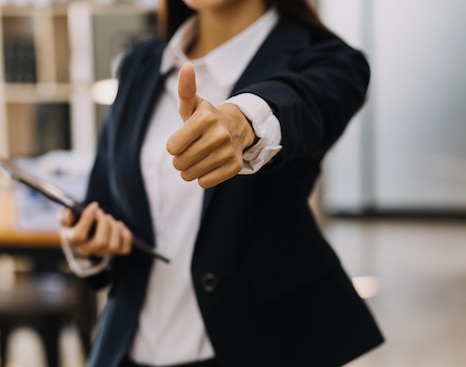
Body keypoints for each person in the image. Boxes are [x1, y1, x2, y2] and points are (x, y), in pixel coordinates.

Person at [59, 0, 384, 366]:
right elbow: (104, 201)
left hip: (248, 349)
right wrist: (91, 243)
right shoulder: (142, 63)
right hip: (126, 351)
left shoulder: (328, 60)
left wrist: (243, 122)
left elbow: (305, 103)